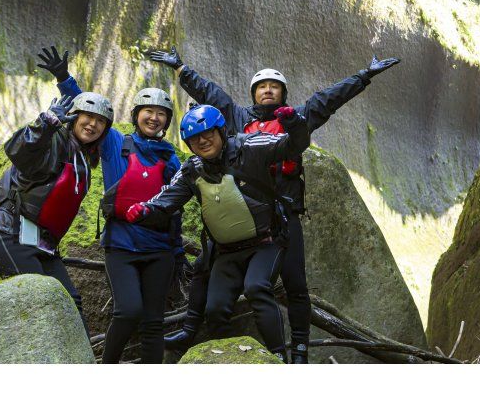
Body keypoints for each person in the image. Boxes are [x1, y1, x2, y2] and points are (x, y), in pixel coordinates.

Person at [150, 46, 399, 363]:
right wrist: (182, 69)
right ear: (254, 94)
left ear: (282, 93)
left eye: (274, 86)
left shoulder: (294, 118)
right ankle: (194, 333)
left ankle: (298, 350)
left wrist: (365, 76)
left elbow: (330, 98)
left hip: (283, 214)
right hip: (240, 214)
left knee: (296, 284)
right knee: (203, 267)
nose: (268, 90)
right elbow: (210, 93)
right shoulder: (238, 118)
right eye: (261, 87)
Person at [125, 103, 310, 362]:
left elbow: (293, 145)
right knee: (215, 309)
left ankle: (279, 359)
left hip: (265, 242)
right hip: (226, 252)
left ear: (221, 131)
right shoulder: (192, 169)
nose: (203, 141)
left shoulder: (250, 146)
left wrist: (294, 123)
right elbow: (167, 200)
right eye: (194, 139)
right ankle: (233, 361)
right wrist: (146, 210)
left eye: (208, 134)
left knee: (257, 287)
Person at [38, 45, 183, 364]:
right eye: (149, 111)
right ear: (136, 115)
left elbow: (176, 206)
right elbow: (91, 113)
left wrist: (178, 252)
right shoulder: (116, 142)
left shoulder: (171, 158)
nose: (154, 117)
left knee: (153, 322)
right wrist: (64, 79)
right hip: (121, 246)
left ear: (167, 121)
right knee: (129, 311)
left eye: (161, 114)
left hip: (159, 250)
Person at [0, 88, 114, 334]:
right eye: (88, 116)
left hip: (44, 243)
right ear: (73, 116)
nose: (93, 124)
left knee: (70, 302)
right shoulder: (53, 140)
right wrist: (45, 124)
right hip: (11, 231)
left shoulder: (83, 158)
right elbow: (16, 150)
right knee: (39, 302)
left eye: (101, 122)